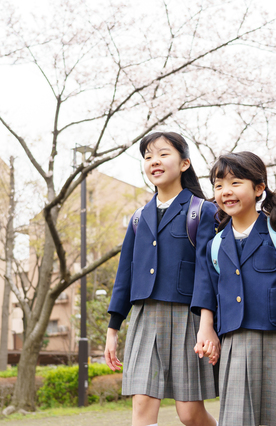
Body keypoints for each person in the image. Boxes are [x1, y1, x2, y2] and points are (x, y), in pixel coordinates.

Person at [192, 151, 276, 426]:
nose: (225, 192)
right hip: (235, 342)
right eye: (218, 186)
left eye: (234, 183)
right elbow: (209, 292)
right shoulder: (215, 244)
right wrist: (207, 330)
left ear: (259, 188)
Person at [105, 132, 218, 426]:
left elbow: (208, 272)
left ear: (184, 164)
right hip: (144, 317)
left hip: (188, 318)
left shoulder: (203, 211)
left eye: (163, 154)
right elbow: (125, 274)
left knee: (190, 414)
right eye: (147, 156)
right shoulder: (139, 217)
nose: (154, 161)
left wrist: (208, 323)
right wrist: (113, 327)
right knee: (141, 403)